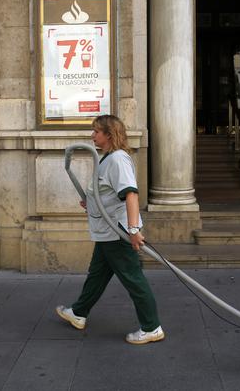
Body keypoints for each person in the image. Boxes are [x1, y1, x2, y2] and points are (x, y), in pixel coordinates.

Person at [56, 114, 165, 345]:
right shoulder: (107, 158)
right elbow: (108, 191)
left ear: (109, 134)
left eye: (96, 131)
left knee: (133, 279)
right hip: (106, 232)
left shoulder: (118, 159)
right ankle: (79, 312)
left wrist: (133, 229)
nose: (92, 135)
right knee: (97, 276)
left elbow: (131, 194)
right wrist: (92, 201)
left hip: (118, 233)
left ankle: (151, 327)